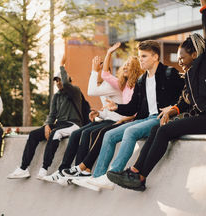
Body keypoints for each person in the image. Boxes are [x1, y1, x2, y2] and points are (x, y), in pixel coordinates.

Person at [107, 0, 206, 191]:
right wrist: (172, 111)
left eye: (182, 57)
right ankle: (134, 171)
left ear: (195, 54)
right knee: (158, 128)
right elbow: (184, 101)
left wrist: (205, 8)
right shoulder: (189, 77)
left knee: (165, 131)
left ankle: (139, 176)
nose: (179, 61)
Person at [72, 40, 184, 191]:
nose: (140, 60)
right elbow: (133, 107)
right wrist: (116, 107)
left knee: (130, 131)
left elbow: (185, 95)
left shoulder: (169, 73)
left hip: (160, 118)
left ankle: (114, 173)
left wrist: (173, 108)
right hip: (144, 119)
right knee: (109, 135)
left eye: (144, 56)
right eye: (139, 56)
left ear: (155, 57)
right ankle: (98, 177)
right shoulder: (141, 80)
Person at [44, 47, 144, 184]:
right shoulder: (123, 84)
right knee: (79, 133)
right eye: (124, 65)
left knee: (93, 133)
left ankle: (82, 170)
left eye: (129, 65)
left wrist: (94, 70)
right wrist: (100, 113)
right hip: (113, 118)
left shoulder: (117, 85)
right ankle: (67, 170)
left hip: (121, 121)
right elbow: (106, 79)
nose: (125, 66)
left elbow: (94, 89)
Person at [7, 55, 84, 179]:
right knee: (33, 135)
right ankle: (23, 168)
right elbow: (52, 114)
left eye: (60, 79)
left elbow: (66, 83)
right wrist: (47, 125)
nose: (58, 82)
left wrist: (61, 65)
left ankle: (44, 169)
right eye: (56, 80)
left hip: (74, 124)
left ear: (68, 80)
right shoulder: (56, 96)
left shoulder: (75, 91)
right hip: (60, 124)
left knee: (55, 133)